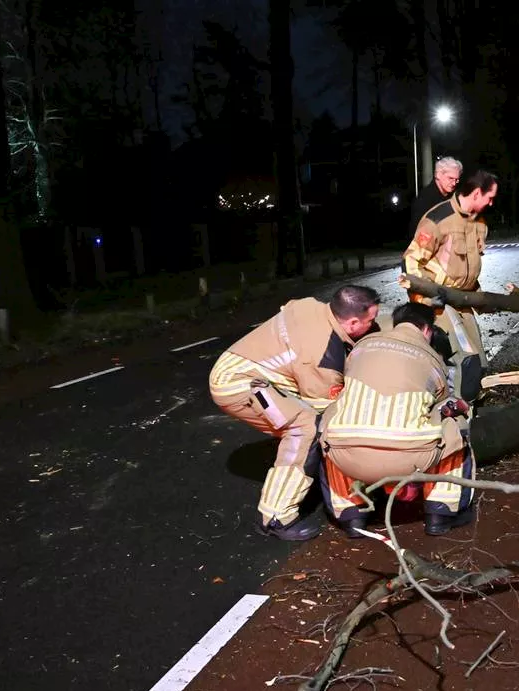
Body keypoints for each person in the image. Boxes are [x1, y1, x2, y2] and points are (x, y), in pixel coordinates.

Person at [208, 285, 381, 541]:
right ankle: (276, 517)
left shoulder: (312, 306)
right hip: (238, 383)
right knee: (306, 429)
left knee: (307, 423)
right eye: (371, 321)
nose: (374, 325)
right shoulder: (323, 356)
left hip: (235, 365)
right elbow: (327, 412)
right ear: (353, 322)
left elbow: (288, 310)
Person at [319, 302, 477, 537]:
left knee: (334, 424)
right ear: (426, 330)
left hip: (347, 456)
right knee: (456, 422)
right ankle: (441, 511)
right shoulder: (430, 357)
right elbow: (443, 401)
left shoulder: (361, 348)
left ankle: (352, 515)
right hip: (412, 456)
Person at [401, 169, 498, 401]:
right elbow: (411, 262)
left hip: (463, 299)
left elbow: (468, 267)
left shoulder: (479, 223)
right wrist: (424, 302)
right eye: (489, 197)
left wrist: (481, 298)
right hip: (440, 303)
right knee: (465, 359)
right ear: (476, 193)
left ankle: (475, 404)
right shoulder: (439, 219)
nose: (492, 203)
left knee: (480, 361)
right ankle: (457, 414)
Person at [408, 156, 463, 238]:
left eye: (456, 180)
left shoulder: (454, 197)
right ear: (438, 175)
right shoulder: (424, 199)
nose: (454, 183)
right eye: (450, 178)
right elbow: (416, 233)